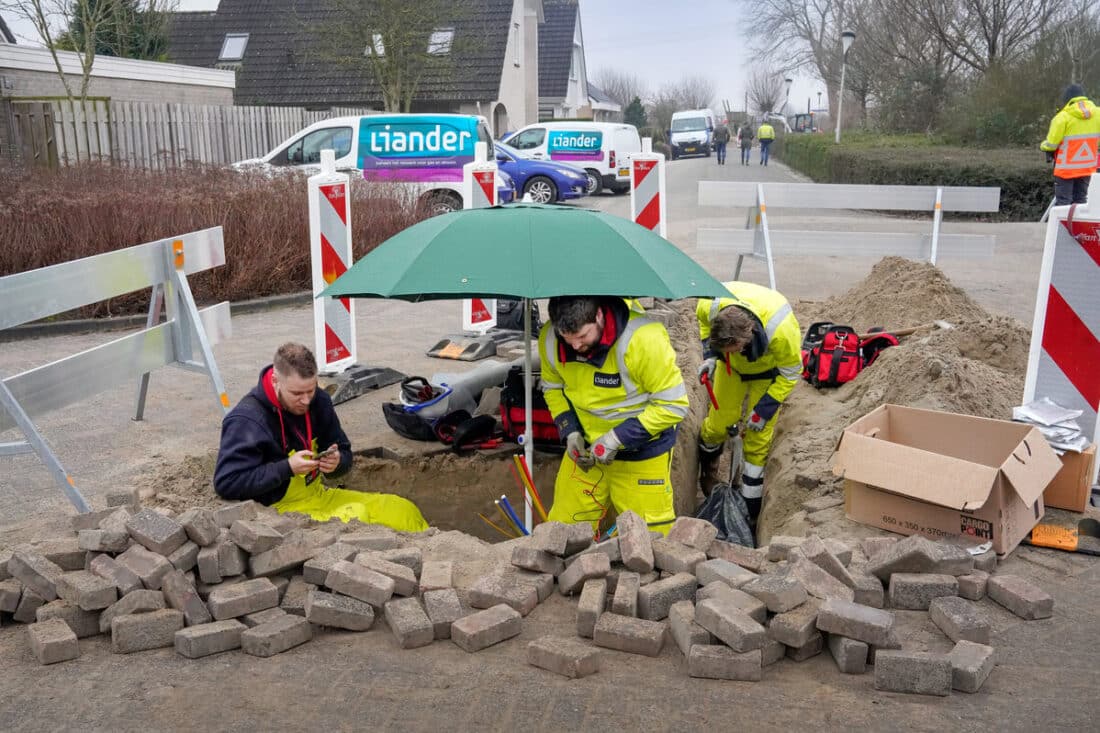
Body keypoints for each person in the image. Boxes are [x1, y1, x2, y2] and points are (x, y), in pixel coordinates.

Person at [214, 343, 428, 532]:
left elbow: (344, 451)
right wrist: (286, 468)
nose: (306, 400)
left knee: (403, 509)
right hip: (278, 514)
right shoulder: (248, 420)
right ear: (275, 380)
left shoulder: (319, 401)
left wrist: (337, 463)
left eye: (311, 390)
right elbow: (227, 483)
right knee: (357, 515)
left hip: (319, 497)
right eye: (297, 394)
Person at [539, 296, 689, 536]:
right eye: (567, 339)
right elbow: (553, 387)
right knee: (561, 532)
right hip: (586, 454)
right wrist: (569, 431)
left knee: (650, 539)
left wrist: (615, 439)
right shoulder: (549, 339)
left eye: (582, 336)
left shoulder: (643, 339)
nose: (575, 346)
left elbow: (673, 405)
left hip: (642, 455)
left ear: (599, 316)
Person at [695, 282, 801, 528]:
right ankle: (708, 472)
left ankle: (749, 510)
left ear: (749, 335)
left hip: (768, 373)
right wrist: (711, 357)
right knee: (719, 424)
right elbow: (703, 326)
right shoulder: (709, 306)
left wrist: (763, 410)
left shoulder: (781, 331)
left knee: (756, 438)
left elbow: (791, 373)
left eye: (737, 349)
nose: (734, 352)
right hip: (730, 370)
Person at [1040, 83, 1100, 206]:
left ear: (1067, 99)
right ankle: (1078, 226)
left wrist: (1043, 146)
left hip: (1065, 170)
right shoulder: (1098, 114)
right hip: (1087, 168)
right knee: (1081, 203)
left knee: (1064, 205)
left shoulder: (1062, 118)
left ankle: (1065, 226)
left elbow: (1051, 144)